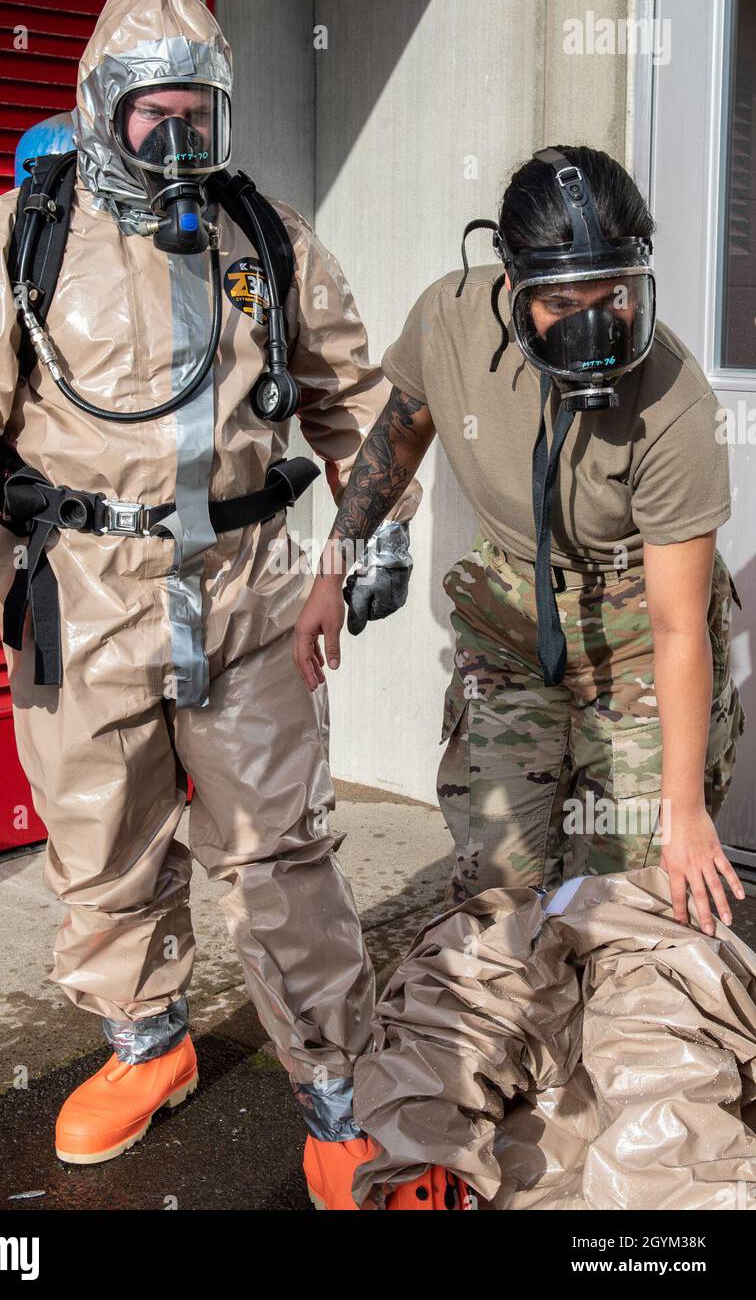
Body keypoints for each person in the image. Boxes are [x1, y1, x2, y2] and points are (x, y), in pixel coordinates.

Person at [0, 0, 420, 1208]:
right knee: (102, 843)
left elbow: (358, 396)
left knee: (281, 850)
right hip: (81, 594)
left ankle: (335, 1096)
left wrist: (370, 535)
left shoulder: (268, 238)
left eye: (202, 116)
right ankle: (147, 1041)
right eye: (154, 116)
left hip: (249, 589)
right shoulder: (8, 243)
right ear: (100, 107)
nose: (181, 141)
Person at [296, 144, 745, 947]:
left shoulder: (675, 400)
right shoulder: (449, 319)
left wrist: (684, 812)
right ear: (511, 287)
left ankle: (609, 1053)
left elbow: (681, 626)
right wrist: (332, 569)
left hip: (639, 629)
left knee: (632, 894)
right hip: (511, 619)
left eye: (616, 296)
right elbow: (395, 442)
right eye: (563, 303)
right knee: (495, 885)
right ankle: (506, 1044)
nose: (597, 324)